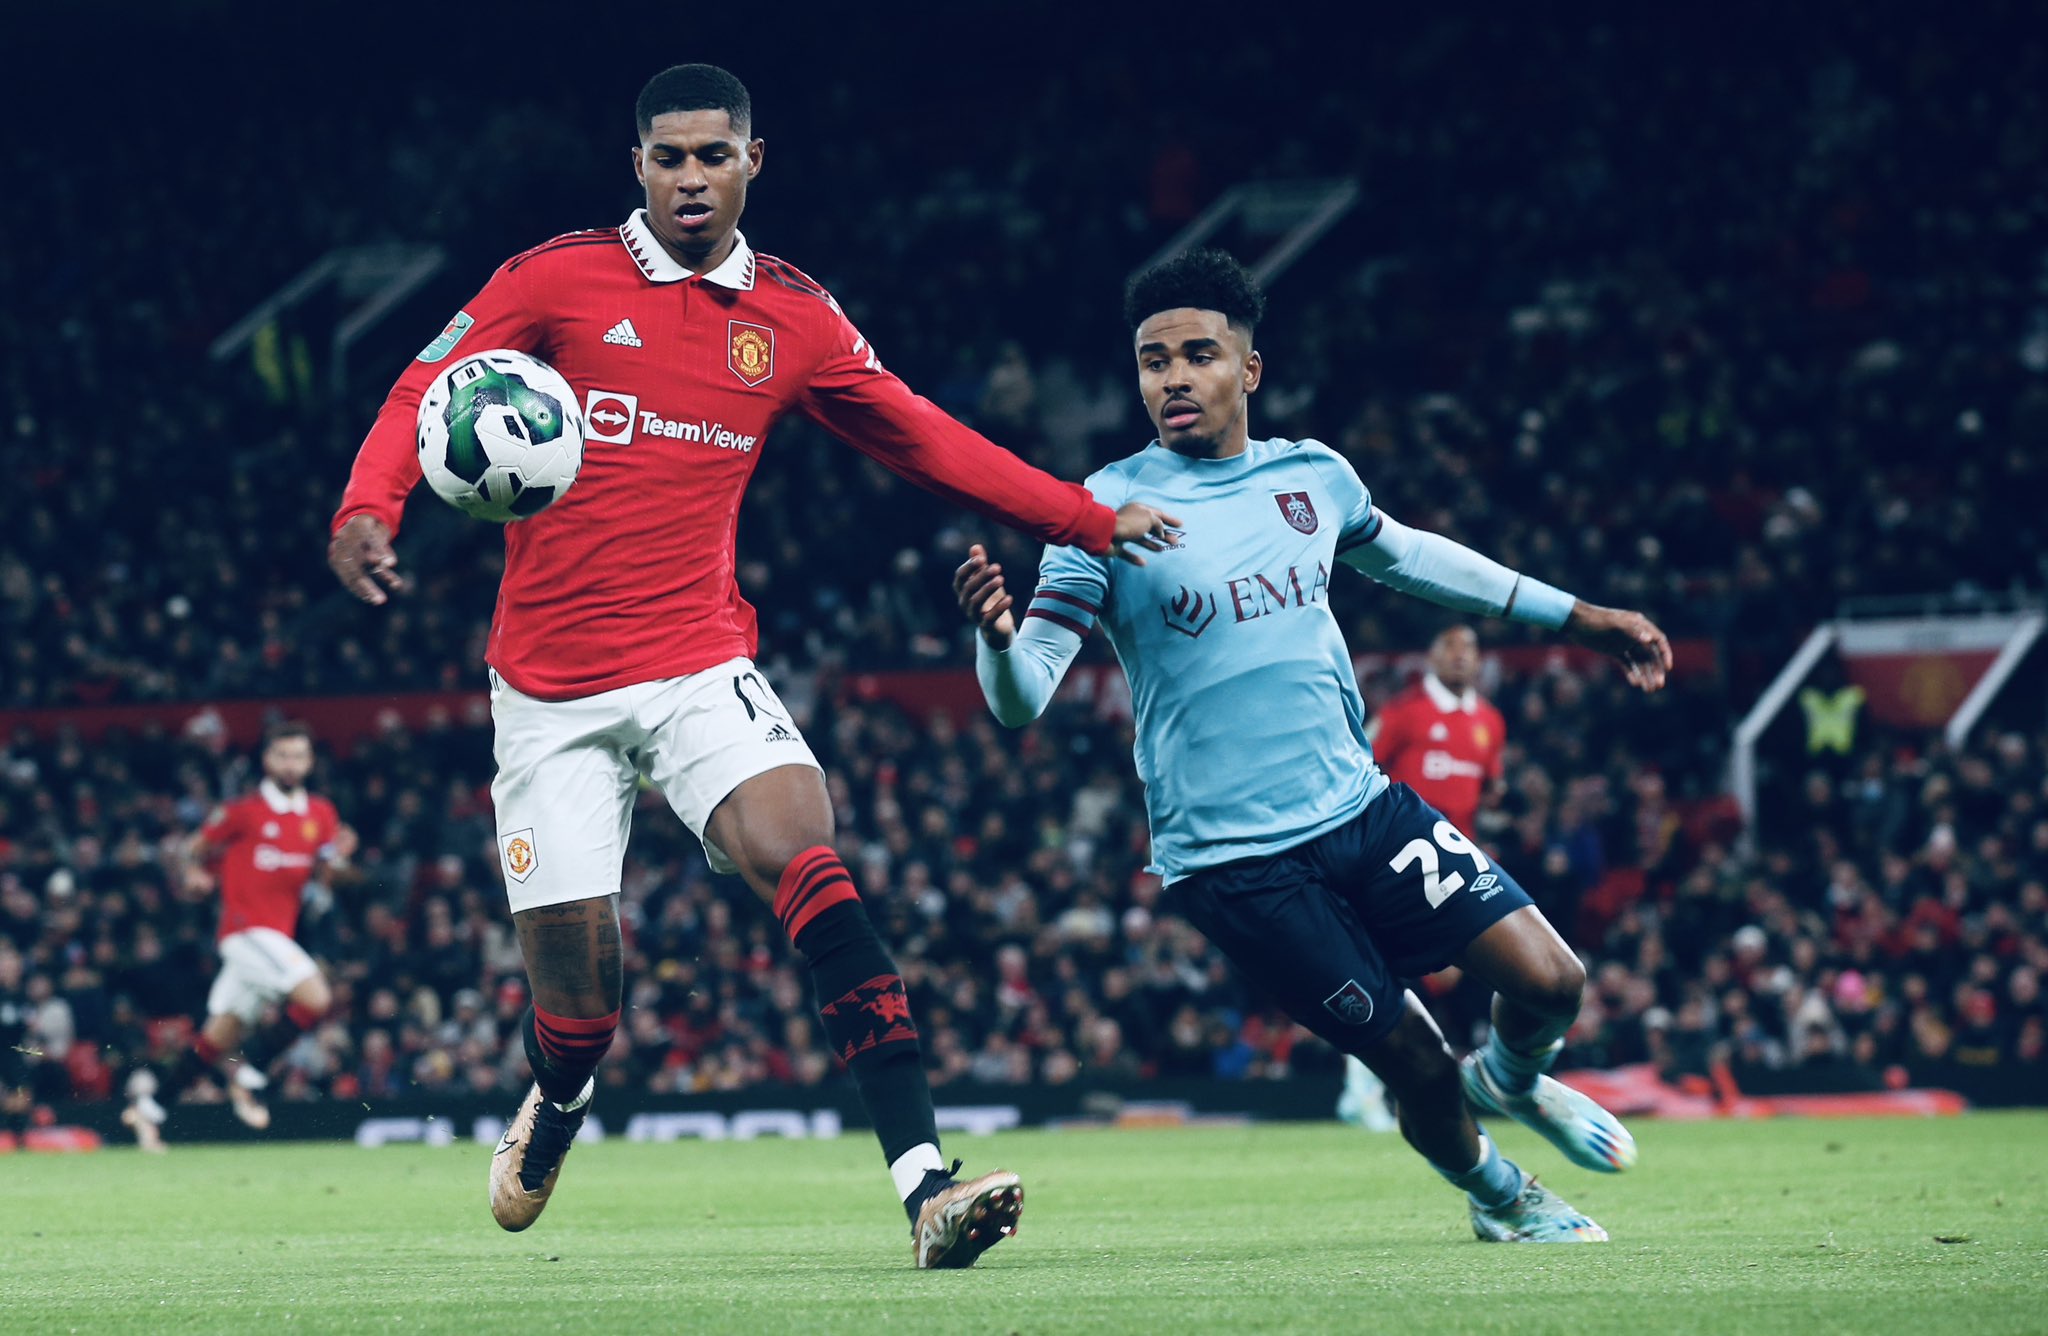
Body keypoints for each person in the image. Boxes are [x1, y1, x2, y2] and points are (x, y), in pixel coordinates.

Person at [326, 63, 1176, 1268]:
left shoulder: (794, 317)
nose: (688, 178)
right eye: (667, 158)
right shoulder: (553, 278)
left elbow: (919, 434)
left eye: (710, 156)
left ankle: (924, 1187)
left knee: (804, 850)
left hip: (694, 661)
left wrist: (1083, 519)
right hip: (548, 694)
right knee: (579, 1013)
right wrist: (372, 504)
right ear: (637, 166)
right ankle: (559, 1094)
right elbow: (426, 381)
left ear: (750, 161)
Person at [955, 249, 1670, 1243]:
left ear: (1247, 369)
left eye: (1196, 354)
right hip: (1235, 862)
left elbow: (1416, 560)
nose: (1171, 377)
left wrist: (1576, 617)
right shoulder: (1100, 510)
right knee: (1411, 1061)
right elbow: (1021, 696)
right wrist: (995, 645)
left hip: (1360, 808)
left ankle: (1506, 1077)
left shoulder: (1312, 475)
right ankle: (1502, 1198)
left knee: (1550, 979)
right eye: (1151, 360)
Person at [123, 722, 355, 1147]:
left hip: (275, 937)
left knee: (219, 1036)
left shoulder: (321, 814)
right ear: (267, 760)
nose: (291, 764)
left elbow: (326, 880)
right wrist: (193, 873)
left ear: (310, 762)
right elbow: (192, 848)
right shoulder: (241, 812)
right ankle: (250, 1078)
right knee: (318, 998)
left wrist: (340, 861)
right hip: (245, 931)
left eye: (299, 756)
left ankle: (148, 1109)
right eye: (282, 755)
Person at [1339, 625, 1506, 1132]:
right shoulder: (1404, 713)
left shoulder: (1490, 723)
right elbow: (1356, 762)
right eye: (1451, 648)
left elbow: (1490, 790)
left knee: (1465, 969)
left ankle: (1485, 1080)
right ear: (1431, 656)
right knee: (1380, 970)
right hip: (1391, 859)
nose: (1461, 658)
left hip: (1456, 865)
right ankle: (1362, 1091)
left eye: (1470, 650)